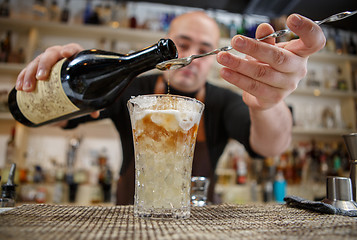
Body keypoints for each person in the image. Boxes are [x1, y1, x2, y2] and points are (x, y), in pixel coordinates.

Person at [15, 11, 325, 204]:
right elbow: (59, 120)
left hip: (202, 220)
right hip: (129, 219)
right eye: (183, 44)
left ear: (215, 57)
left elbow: (271, 146)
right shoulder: (130, 87)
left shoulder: (225, 100)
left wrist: (268, 101)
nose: (190, 56)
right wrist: (51, 82)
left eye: (204, 49)